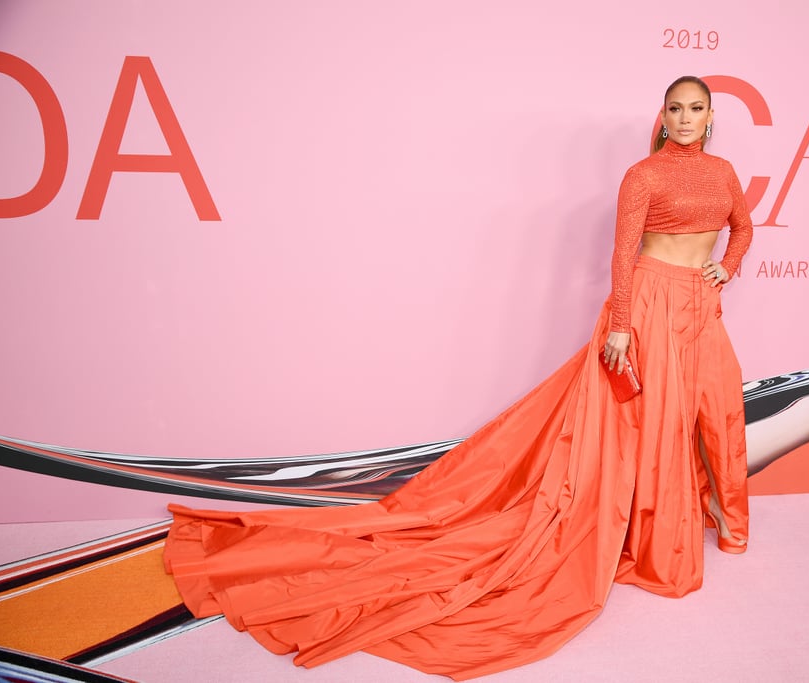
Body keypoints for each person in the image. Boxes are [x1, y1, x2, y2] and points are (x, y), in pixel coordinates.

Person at [162, 75, 753, 680]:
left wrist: (726, 268)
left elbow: (744, 227)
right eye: (675, 108)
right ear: (662, 114)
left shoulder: (725, 172)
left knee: (717, 407)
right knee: (648, 426)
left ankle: (727, 526)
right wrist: (621, 326)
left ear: (710, 116)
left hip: (698, 306)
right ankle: (658, 544)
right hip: (648, 305)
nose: (685, 118)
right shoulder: (643, 174)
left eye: (696, 109)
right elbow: (622, 254)